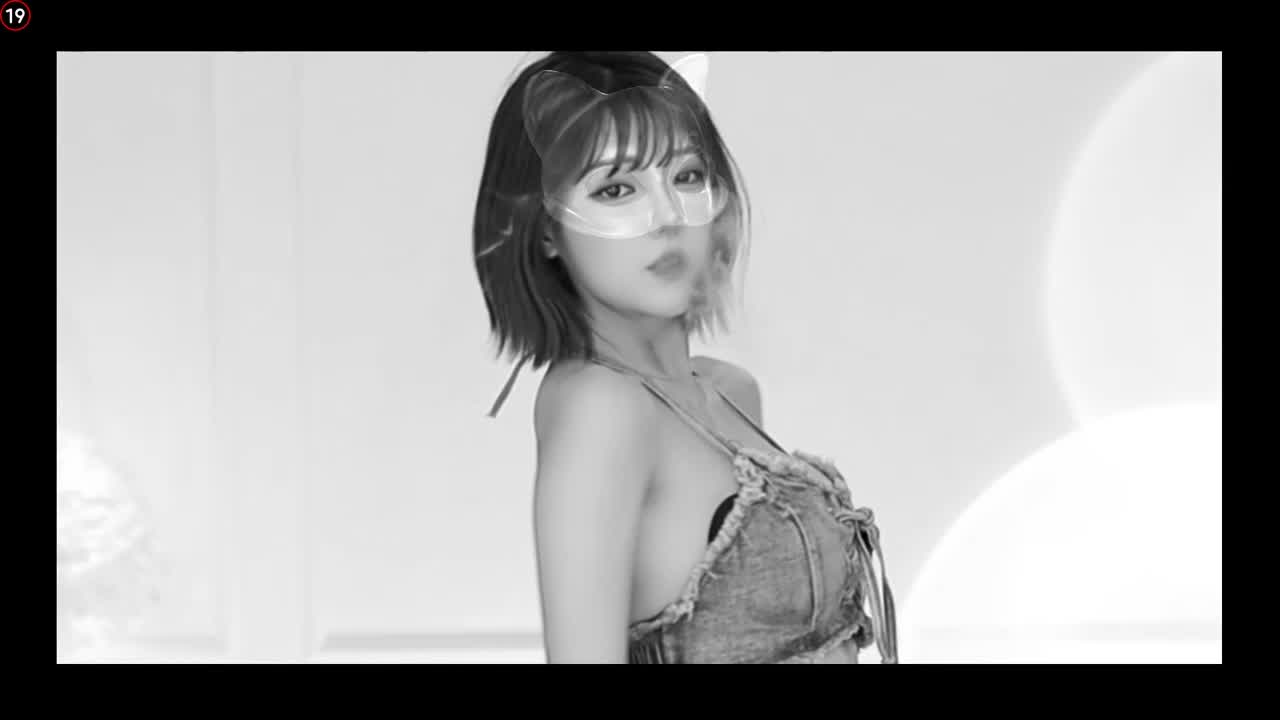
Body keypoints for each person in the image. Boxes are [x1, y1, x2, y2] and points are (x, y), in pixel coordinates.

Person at [474, 51, 897, 664]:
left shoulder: (730, 391)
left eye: (688, 176)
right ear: (544, 230)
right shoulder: (602, 408)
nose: (667, 217)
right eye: (616, 189)